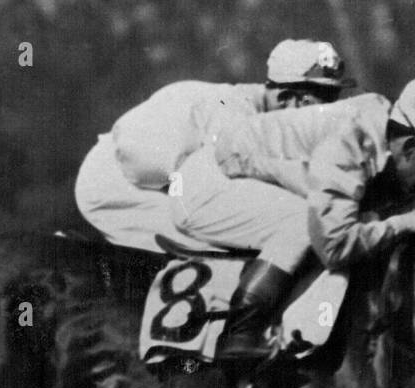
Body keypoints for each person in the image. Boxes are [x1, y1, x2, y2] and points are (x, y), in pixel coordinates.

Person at [169, 65, 415, 363]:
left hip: (244, 167)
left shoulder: (383, 132)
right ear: (411, 147)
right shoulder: (348, 145)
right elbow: (334, 246)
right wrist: (401, 223)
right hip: (206, 184)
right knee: (304, 223)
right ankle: (241, 332)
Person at [74, 39, 356, 253]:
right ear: (288, 98)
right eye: (324, 101)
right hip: (116, 183)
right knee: (215, 246)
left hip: (154, 173)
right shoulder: (233, 114)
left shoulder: (255, 111)